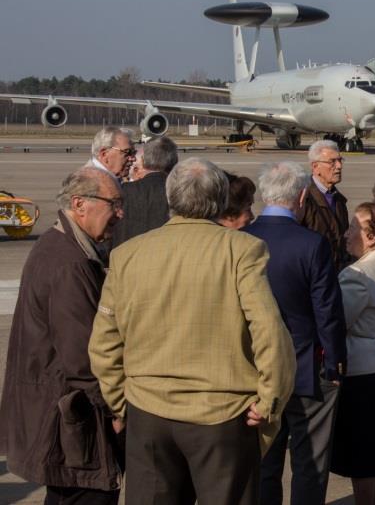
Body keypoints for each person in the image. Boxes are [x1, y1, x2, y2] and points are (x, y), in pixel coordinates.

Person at [88, 157, 296, 505]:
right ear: (217, 202)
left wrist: (121, 403)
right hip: (223, 415)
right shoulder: (241, 250)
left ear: (172, 198)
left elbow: (104, 344)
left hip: (148, 410)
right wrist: (269, 400)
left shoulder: (128, 255)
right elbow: (270, 332)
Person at [0, 167, 124, 504]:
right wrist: (117, 411)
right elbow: (84, 358)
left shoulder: (60, 245)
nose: (120, 213)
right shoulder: (69, 262)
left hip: (57, 415)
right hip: (72, 424)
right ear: (80, 204)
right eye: (114, 204)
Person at [244, 161, 348, 505]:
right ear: (303, 196)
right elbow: (327, 311)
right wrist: (335, 363)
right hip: (307, 369)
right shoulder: (312, 243)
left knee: (264, 463)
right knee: (309, 465)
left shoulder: (242, 240)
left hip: (257, 370)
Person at [330, 203, 375, 505]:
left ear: (370, 237)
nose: (346, 234)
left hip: (361, 371)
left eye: (353, 229)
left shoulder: (357, 275)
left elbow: (338, 322)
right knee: (374, 448)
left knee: (361, 453)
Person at [111, 136, 179, 247]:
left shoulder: (123, 191)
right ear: (174, 163)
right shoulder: (179, 194)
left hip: (125, 258)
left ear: (144, 161)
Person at [299, 140, 350, 270]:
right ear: (315, 167)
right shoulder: (303, 199)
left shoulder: (338, 199)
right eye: (332, 162)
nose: (339, 166)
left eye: (340, 160)